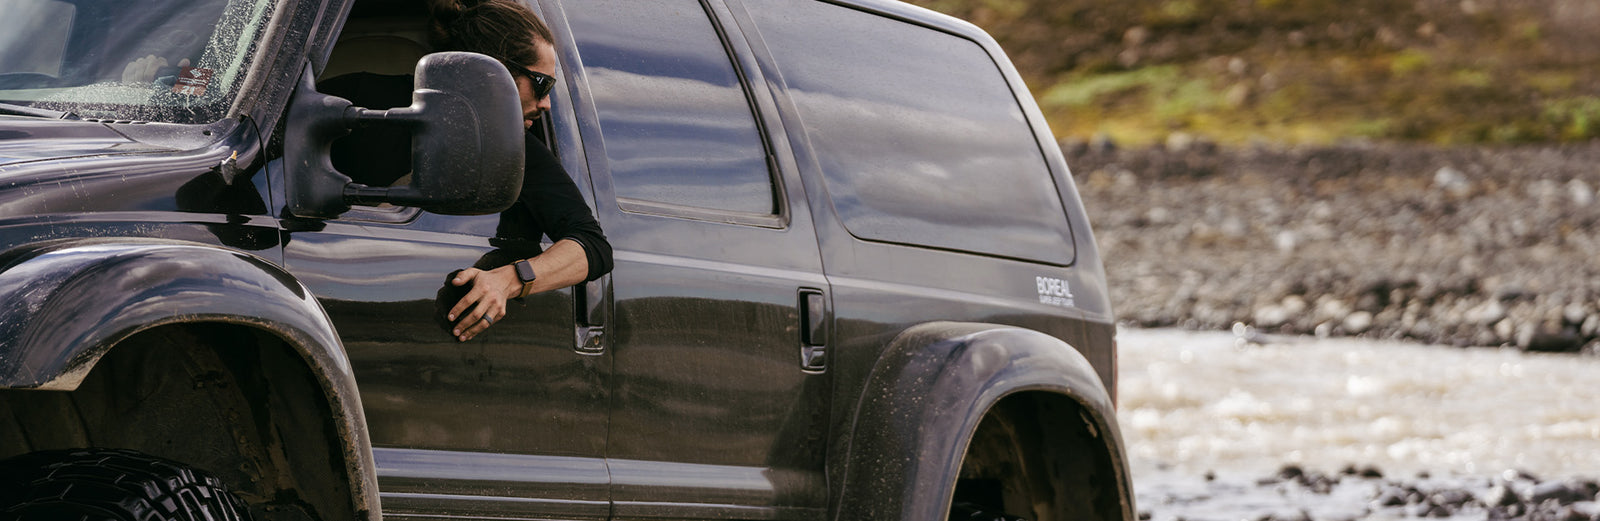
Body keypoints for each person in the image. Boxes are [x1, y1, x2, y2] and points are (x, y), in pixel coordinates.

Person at [423, 0, 612, 341]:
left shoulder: (518, 148)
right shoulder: (361, 105)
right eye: (542, 84)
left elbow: (592, 247)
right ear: (491, 74)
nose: (547, 104)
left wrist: (509, 279)